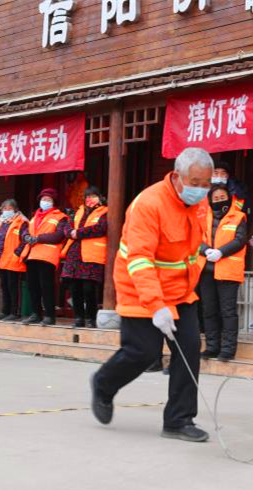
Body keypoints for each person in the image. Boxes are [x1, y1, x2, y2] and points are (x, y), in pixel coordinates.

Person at [90, 147, 212, 443]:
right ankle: (104, 384)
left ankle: (179, 420)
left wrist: (200, 262)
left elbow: (195, 245)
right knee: (143, 353)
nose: (201, 189)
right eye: (195, 182)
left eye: (206, 183)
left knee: (189, 348)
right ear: (177, 177)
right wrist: (156, 306)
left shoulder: (200, 203)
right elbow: (140, 259)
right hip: (139, 288)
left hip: (180, 291)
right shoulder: (148, 204)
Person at [199, 184, 248, 362]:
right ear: (210, 200)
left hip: (228, 270)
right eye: (216, 198)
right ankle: (212, 347)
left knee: (228, 311)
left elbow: (240, 240)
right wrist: (205, 250)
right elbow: (195, 238)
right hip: (206, 270)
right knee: (209, 310)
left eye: (222, 198)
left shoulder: (238, 216)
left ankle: (228, 349)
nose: (219, 201)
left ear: (229, 198)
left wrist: (221, 252)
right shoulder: (203, 217)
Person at [60, 186, 108, 328]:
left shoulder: (105, 212)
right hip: (74, 255)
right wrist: (71, 232)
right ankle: (78, 318)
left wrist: (78, 233)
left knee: (89, 289)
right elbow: (67, 227)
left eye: (93, 196)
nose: (89, 199)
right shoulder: (78, 211)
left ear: (100, 197)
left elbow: (100, 228)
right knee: (74, 289)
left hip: (91, 256)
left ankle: (91, 319)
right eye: (87, 196)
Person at [21, 188, 70, 326]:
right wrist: (26, 236)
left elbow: (59, 235)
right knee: (33, 286)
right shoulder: (34, 216)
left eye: (48, 199)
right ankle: (36, 314)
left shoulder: (60, 217)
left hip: (47, 256)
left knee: (46, 286)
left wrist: (38, 238)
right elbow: (25, 230)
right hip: (32, 255)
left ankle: (49, 315)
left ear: (54, 202)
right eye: (43, 199)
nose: (45, 201)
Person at [0, 199, 29, 321]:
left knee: (13, 287)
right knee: (4, 286)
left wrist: (17, 254)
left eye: (9, 209)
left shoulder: (21, 222)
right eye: (4, 209)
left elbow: (25, 240)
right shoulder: (1, 222)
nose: (7, 211)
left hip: (13, 260)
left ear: (15, 209)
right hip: (2, 259)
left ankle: (14, 312)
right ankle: (5, 311)